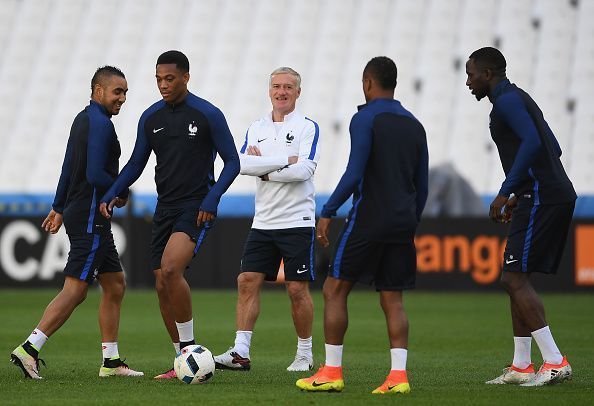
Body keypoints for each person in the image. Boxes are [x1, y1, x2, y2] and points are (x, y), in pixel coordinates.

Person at [99, 50, 240, 379]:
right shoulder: (150, 118)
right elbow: (136, 164)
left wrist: (213, 198)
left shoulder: (208, 114)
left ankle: (190, 349)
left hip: (196, 206)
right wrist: (111, 192)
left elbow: (232, 161)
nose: (163, 85)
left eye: (170, 79)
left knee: (172, 268)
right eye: (158, 79)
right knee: (162, 282)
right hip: (165, 207)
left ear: (186, 77)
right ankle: (182, 361)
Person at [296, 56, 428, 394]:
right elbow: (422, 185)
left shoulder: (365, 118)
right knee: (393, 299)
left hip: (369, 218)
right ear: (393, 83)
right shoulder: (415, 124)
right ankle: (398, 378)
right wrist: (410, 220)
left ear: (367, 83)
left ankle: (331, 372)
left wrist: (327, 211)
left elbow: (354, 173)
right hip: (402, 221)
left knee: (334, 290)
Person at [10, 66, 143, 379]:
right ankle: (30, 348)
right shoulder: (100, 125)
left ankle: (110, 362)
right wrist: (122, 190)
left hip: (81, 210)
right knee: (77, 288)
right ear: (98, 90)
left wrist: (59, 206)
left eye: (125, 92)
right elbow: (95, 175)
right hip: (89, 216)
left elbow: (68, 167)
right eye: (117, 91)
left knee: (114, 283)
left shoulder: (83, 119)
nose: (122, 98)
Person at [465, 47, 576, 387]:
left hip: (543, 194)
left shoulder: (507, 102)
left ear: (487, 74)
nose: (468, 82)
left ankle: (555, 361)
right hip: (540, 192)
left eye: (471, 74)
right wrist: (520, 190)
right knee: (515, 277)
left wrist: (507, 189)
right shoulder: (518, 98)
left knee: (513, 280)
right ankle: (521, 365)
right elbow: (552, 146)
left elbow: (533, 143)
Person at [214, 67, 320, 372]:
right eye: (277, 86)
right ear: (269, 90)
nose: (282, 91)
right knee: (246, 281)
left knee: (297, 289)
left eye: (288, 86)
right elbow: (242, 164)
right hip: (264, 221)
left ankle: (304, 353)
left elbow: (305, 169)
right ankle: (240, 353)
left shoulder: (307, 127)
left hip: (297, 219)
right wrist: (280, 162)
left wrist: (264, 167)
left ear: (298, 92)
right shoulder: (256, 127)